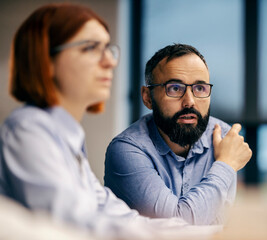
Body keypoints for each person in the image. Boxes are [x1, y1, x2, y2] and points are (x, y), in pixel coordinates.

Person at [0, 3, 222, 239]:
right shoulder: (28, 130)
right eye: (90, 48)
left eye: (108, 49)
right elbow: (78, 227)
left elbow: (126, 220)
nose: (110, 61)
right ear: (46, 60)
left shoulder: (66, 138)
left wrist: (222, 234)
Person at [104, 44, 252, 225]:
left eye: (200, 88)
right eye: (174, 88)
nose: (189, 102)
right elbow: (178, 228)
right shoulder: (126, 150)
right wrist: (226, 165)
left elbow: (220, 225)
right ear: (147, 97)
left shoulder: (223, 138)